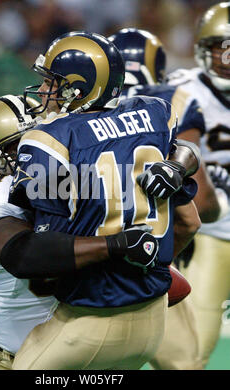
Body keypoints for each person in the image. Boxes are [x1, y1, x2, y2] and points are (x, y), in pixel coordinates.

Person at [0, 31, 201, 370]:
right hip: (155, 316)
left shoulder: (48, 139)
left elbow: (41, 263)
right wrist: (153, 263)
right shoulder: (155, 114)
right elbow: (188, 220)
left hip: (88, 319)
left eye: (51, 82)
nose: (42, 91)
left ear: (76, 89)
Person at [0, 94, 163, 370]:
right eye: (17, 145)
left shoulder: (82, 178)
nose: (31, 151)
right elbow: (24, 256)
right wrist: (116, 245)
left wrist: (180, 164)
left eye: (38, 137)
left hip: (65, 346)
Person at [108, 26, 230, 370]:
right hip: (165, 248)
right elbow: (201, 207)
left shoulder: (73, 121)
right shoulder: (174, 101)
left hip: (94, 253)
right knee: (186, 362)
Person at [166, 2, 230, 368]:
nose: (226, 57)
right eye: (219, 46)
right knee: (191, 352)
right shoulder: (184, 91)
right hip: (211, 233)